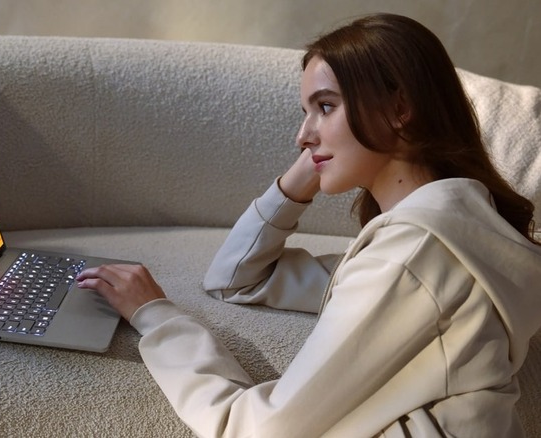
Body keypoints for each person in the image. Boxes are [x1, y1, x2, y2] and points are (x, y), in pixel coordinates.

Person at [76, 13, 541, 437]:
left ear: (400, 108)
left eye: (325, 106)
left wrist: (155, 315)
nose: (303, 134)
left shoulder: (412, 260)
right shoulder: (451, 235)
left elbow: (257, 431)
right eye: (306, 112)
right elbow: (236, 278)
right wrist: (308, 169)